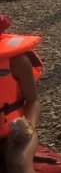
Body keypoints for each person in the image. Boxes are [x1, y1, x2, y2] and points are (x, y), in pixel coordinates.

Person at [0, 14, 42, 173]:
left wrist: (28, 126)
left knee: (18, 163)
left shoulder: (17, 61)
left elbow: (33, 100)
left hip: (15, 129)